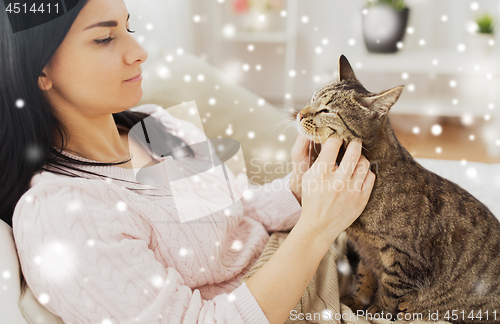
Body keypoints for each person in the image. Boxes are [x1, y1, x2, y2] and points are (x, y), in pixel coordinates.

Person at [0, 0, 376, 323]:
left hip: (333, 263)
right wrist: (314, 230)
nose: (139, 51)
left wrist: (299, 190)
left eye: (129, 27)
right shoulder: (63, 214)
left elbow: (239, 211)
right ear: (40, 70)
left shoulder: (154, 125)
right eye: (105, 37)